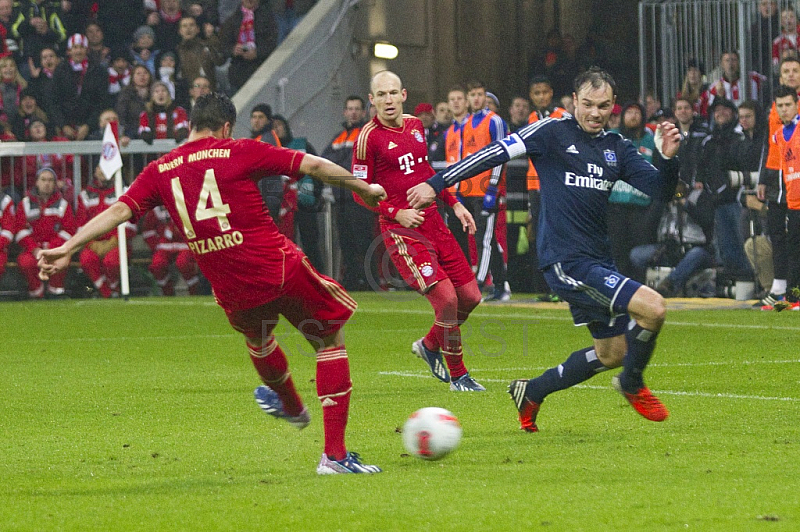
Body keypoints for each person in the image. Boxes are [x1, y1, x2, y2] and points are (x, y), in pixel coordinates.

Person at [38, 92, 386, 474]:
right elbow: (313, 164)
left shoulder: (160, 169)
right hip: (276, 267)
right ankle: (334, 456)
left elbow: (120, 210)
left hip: (229, 286)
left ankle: (291, 405)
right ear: (225, 127)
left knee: (258, 339)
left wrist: (68, 245)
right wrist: (363, 188)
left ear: (190, 124)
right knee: (327, 341)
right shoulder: (239, 149)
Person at [408, 67, 682, 430]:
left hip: (599, 261)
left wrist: (666, 159)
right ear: (573, 102)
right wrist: (435, 183)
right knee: (654, 309)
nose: (595, 113)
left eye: (603, 106)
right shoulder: (551, 131)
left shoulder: (618, 148)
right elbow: (492, 154)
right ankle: (632, 383)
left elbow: (661, 192)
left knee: (613, 352)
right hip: (565, 261)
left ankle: (533, 391)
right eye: (587, 104)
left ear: (613, 106)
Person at [352, 70, 485, 391]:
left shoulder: (415, 126)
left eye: (393, 93)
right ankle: (459, 375)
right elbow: (359, 192)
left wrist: (453, 203)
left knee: (471, 296)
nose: (388, 100)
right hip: (403, 233)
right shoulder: (367, 138)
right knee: (447, 300)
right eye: (381, 95)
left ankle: (429, 345)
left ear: (403, 95)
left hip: (435, 222)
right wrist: (396, 211)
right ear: (372, 100)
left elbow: (426, 172)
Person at [322, 95, 376, 291]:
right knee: (346, 241)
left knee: (363, 240)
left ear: (363, 113)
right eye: (350, 108)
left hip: (359, 196)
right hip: (341, 197)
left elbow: (347, 163)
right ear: (345, 112)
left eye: (356, 109)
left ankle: (369, 280)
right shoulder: (338, 137)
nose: (353, 112)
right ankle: (353, 278)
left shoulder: (366, 133)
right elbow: (324, 160)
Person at [77, 165, 137, 298]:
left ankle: (111, 289)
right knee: (86, 259)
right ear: (95, 171)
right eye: (99, 167)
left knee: (112, 261)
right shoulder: (85, 195)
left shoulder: (124, 191)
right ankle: (107, 291)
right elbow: (81, 225)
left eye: (107, 166)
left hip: (118, 243)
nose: (103, 170)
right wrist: (91, 243)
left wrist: (114, 241)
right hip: (93, 243)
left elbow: (130, 223)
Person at [17, 166, 77, 298]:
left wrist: (52, 248)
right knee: (25, 262)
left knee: (61, 261)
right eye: (43, 179)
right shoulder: (25, 204)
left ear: (55, 184)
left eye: (50, 180)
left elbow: (68, 231)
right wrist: (35, 249)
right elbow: (20, 231)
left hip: (55, 248)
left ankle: (56, 292)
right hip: (33, 250)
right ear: (37, 182)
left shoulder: (63, 204)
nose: (47, 183)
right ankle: (37, 293)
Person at [767, 85, 800, 310]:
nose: (784, 109)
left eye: (788, 104)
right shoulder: (778, 136)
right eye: (780, 106)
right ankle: (793, 297)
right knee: (794, 249)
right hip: (794, 202)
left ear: (797, 105)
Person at [49, 33, 110, 141]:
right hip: (66, 128)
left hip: (91, 129)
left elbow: (102, 102)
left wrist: (88, 126)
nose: (78, 51)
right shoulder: (60, 70)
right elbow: (53, 101)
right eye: (75, 47)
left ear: (87, 50)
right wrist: (63, 125)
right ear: (69, 51)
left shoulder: (98, 71)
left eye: (81, 47)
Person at [218, 0, 277, 93]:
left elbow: (272, 43)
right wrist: (233, 50)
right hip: (238, 72)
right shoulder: (231, 20)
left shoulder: (268, 18)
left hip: (262, 68)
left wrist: (257, 53)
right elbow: (223, 45)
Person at [141, 205, 201, 295]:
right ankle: (167, 292)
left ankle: (194, 291)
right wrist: (156, 245)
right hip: (164, 246)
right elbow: (148, 231)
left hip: (186, 245)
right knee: (157, 265)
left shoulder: (188, 204)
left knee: (183, 263)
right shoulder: (156, 209)